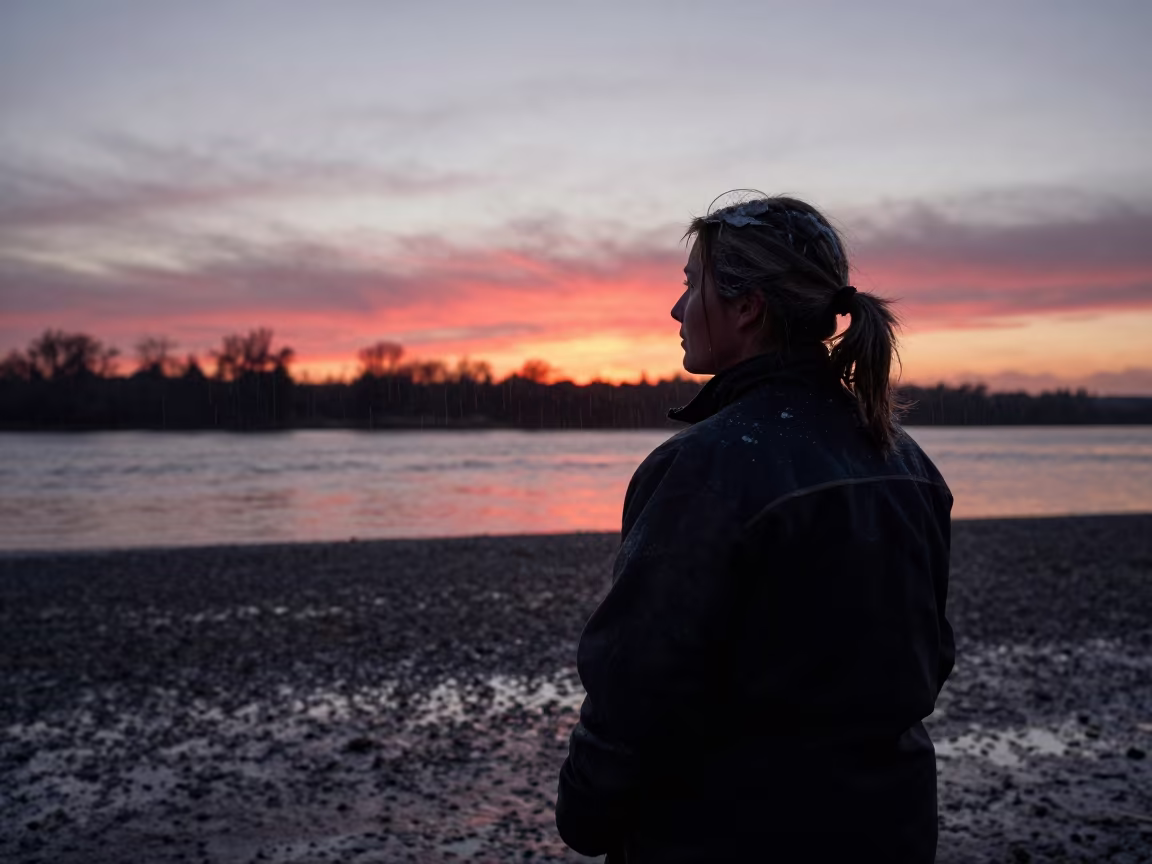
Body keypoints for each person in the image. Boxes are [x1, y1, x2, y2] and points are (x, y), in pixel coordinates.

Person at [554, 192, 955, 862]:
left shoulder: (706, 467)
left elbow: (638, 683)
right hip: (890, 827)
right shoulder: (907, 461)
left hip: (733, 834)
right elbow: (926, 656)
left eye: (691, 287)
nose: (679, 310)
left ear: (747, 307)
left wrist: (586, 811)